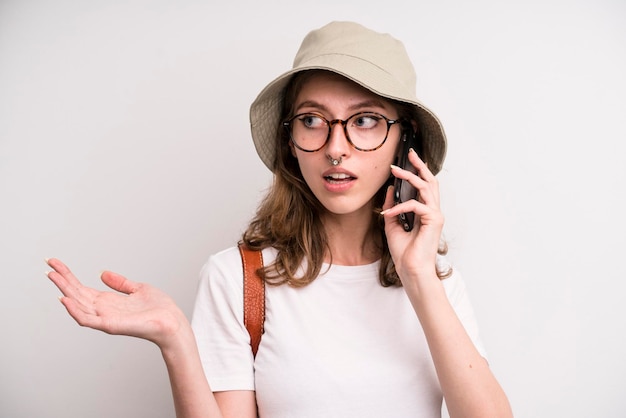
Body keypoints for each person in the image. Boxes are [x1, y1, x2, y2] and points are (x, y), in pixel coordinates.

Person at [46, 21, 513, 418]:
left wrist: (418, 278)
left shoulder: (437, 283)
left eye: (365, 120)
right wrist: (176, 341)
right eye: (312, 120)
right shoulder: (238, 278)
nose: (335, 146)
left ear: (404, 143)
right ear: (289, 140)